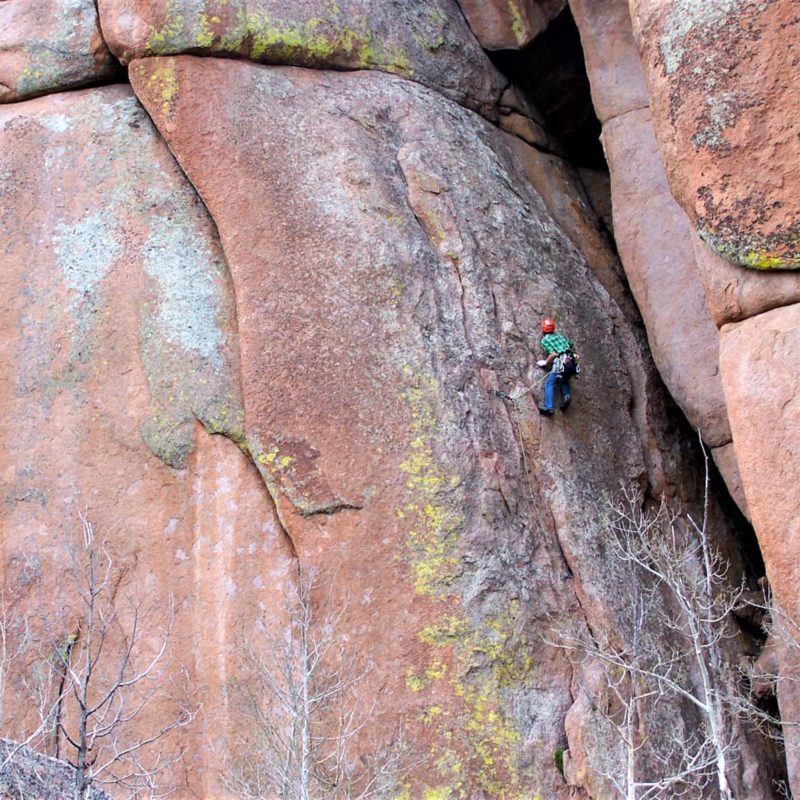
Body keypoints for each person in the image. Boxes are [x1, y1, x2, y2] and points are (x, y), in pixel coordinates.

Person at [536, 318, 577, 416]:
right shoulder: (558, 335)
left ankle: (549, 408)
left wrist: (546, 362)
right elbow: (570, 343)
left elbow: (554, 353)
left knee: (549, 383)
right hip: (571, 360)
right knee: (564, 380)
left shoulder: (545, 340)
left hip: (561, 362)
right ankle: (566, 396)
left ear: (543, 330)